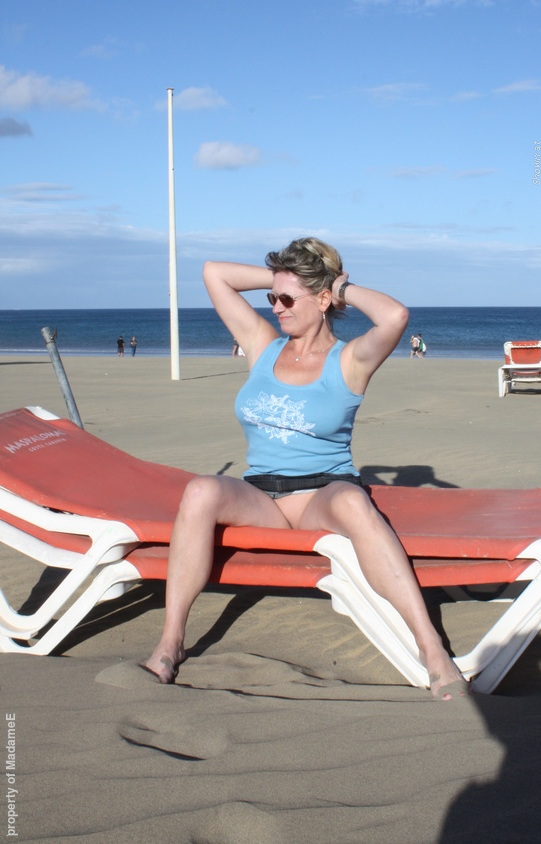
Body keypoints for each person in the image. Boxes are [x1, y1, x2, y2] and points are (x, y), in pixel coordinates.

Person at [144, 237, 469, 699]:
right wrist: (287, 278)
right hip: (261, 496)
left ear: (322, 301)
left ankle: (432, 649)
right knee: (200, 490)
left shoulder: (350, 360)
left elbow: (395, 316)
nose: (276, 307)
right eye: (271, 298)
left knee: (354, 502)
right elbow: (214, 272)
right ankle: (170, 642)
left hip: (322, 494)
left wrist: (337, 286)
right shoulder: (262, 345)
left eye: (287, 299)